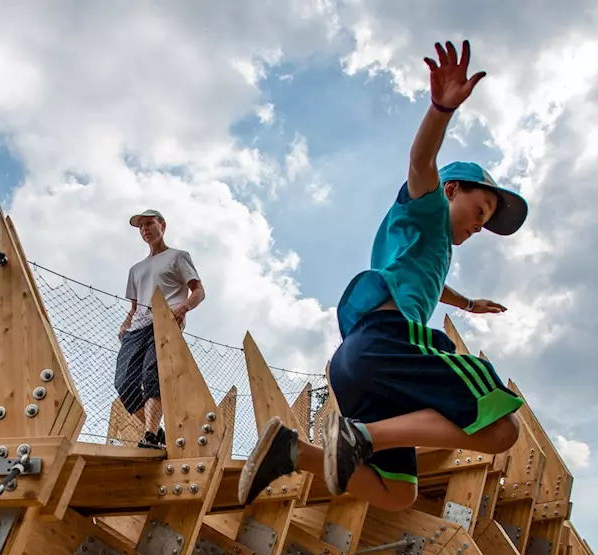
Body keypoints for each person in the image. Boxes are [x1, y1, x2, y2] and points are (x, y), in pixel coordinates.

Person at [238, 40, 525, 509]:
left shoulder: (423, 248)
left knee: (398, 492)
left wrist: (469, 304)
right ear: (452, 190)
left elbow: (432, 285)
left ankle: (290, 450)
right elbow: (420, 162)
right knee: (502, 427)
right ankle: (362, 436)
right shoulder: (429, 209)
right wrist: (441, 109)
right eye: (480, 208)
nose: (480, 223)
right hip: (388, 344)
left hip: (354, 365)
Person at [114, 209, 205, 450]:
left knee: (152, 375)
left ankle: (151, 437)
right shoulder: (136, 269)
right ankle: (159, 432)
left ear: (162, 225)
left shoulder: (178, 257)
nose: (145, 229)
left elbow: (198, 291)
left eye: (149, 223)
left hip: (166, 323)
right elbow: (133, 307)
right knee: (124, 382)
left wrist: (183, 308)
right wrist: (126, 323)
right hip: (137, 329)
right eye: (141, 226)